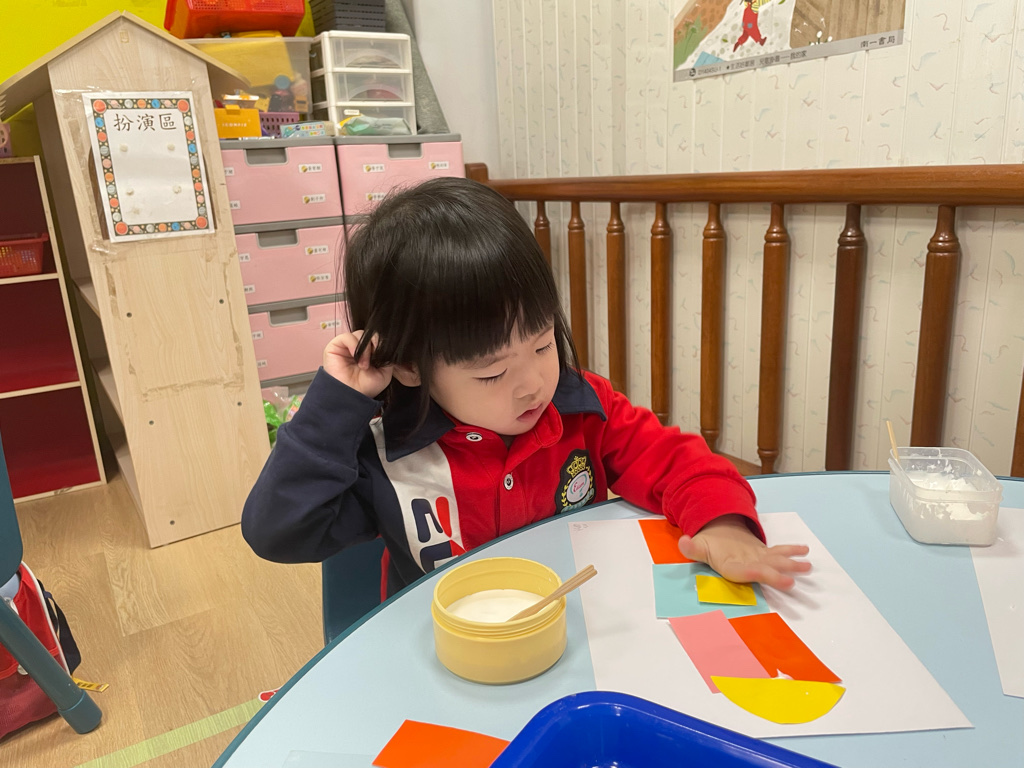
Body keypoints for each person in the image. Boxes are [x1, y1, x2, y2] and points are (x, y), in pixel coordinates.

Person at [241, 178, 810, 598]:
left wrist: (723, 524)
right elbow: (278, 533)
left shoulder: (582, 406)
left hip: (583, 622)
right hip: (452, 647)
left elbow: (678, 461)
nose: (534, 384)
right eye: (491, 372)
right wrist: (337, 402)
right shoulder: (389, 454)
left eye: (542, 345)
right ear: (409, 366)